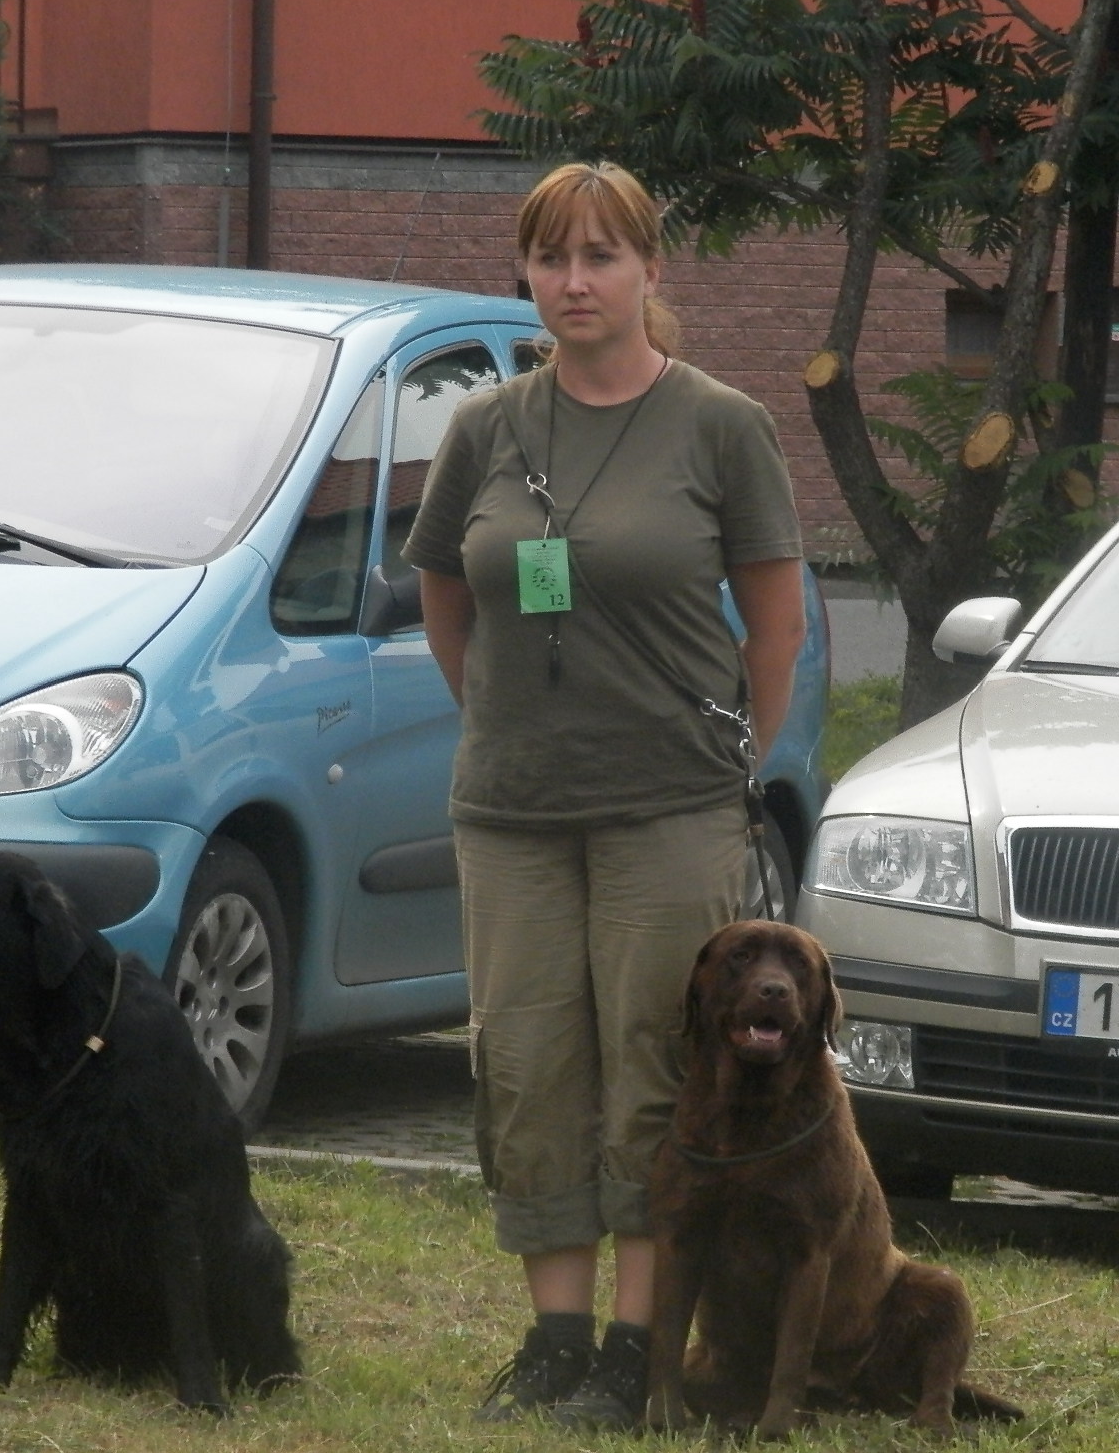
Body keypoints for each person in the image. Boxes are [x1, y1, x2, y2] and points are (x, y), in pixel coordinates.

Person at [405, 162, 807, 1429]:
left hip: (667, 806)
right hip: (510, 805)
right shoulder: (486, 423)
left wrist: (730, 761)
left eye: (600, 257)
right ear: (523, 272)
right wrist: (507, 725)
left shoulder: (717, 424)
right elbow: (443, 597)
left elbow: (778, 625)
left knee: (649, 1068)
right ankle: (554, 1338)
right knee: (523, 1064)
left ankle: (639, 1348)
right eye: (550, 258)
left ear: (649, 269)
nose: (574, 282)